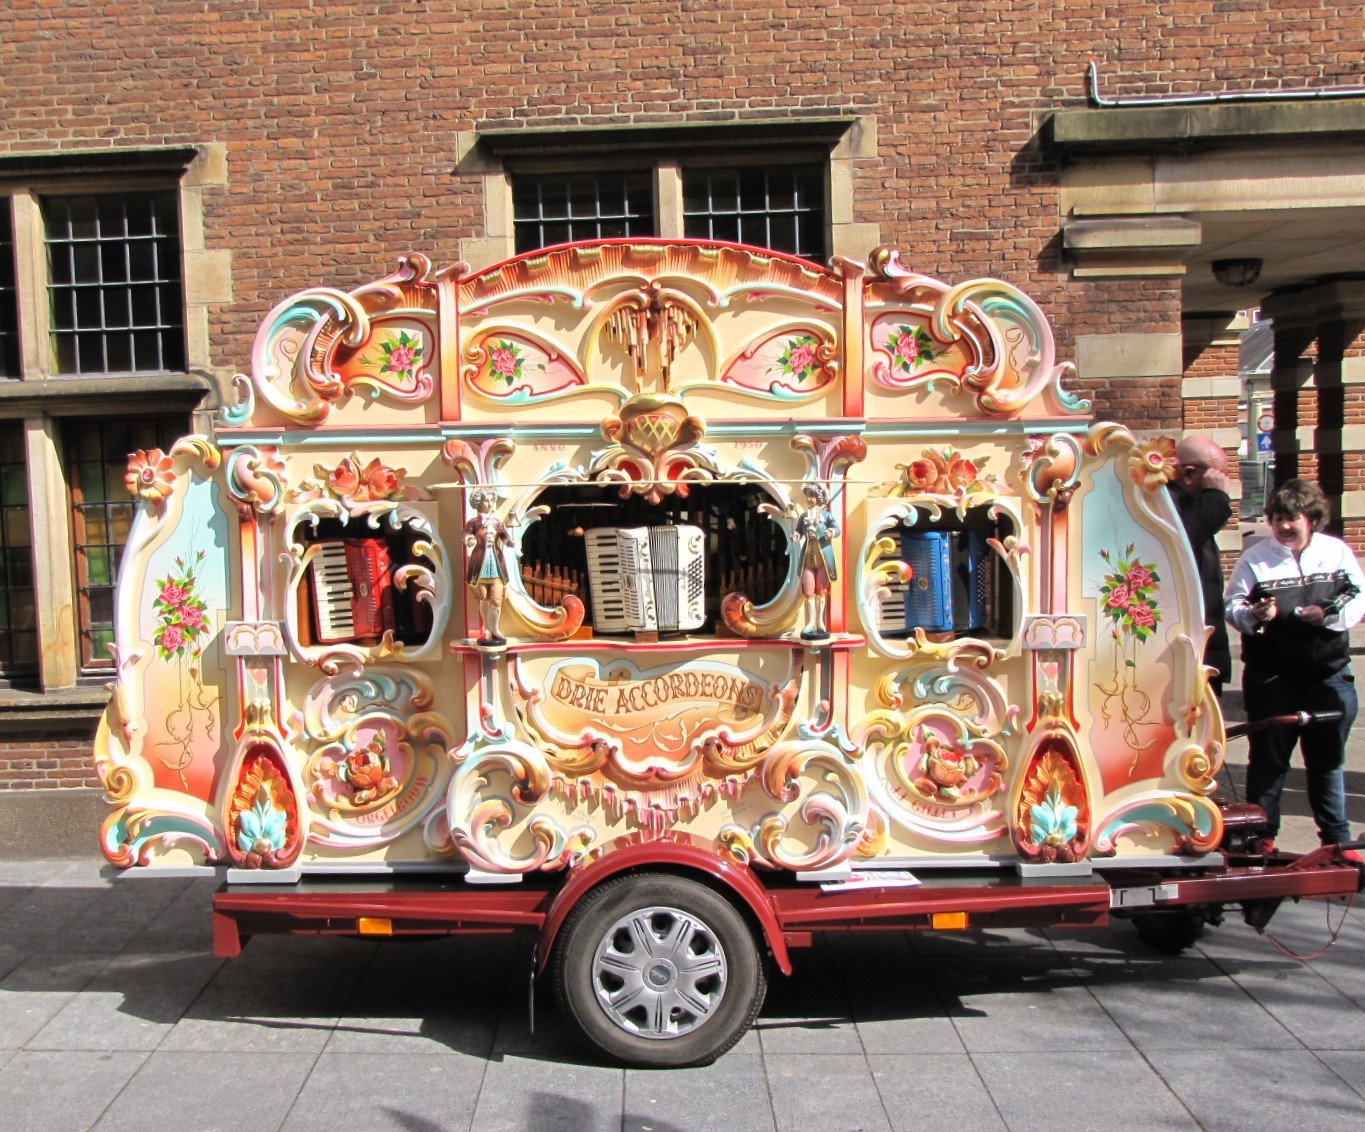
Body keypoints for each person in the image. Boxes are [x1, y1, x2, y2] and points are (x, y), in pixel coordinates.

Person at [1224, 479, 1365, 854]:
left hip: (1328, 675)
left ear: (1311, 519)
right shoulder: (1255, 558)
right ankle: (1260, 837)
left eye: (1292, 519)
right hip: (1274, 679)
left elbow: (1357, 596)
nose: (1285, 526)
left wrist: (1328, 616)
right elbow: (1232, 606)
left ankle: (1336, 839)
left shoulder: (1335, 553)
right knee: (1268, 762)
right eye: (1278, 519)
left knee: (1327, 762)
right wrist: (1255, 614)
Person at [1167, 435, 1233, 694]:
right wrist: (1216, 497)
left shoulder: (1194, 502)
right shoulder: (1168, 502)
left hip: (1205, 647)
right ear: (1190, 473)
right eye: (1219, 474)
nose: (1224, 482)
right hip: (1186, 647)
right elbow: (1181, 542)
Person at [463, 488, 515, 646]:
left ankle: (496, 629)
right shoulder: (474, 522)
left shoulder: (497, 522)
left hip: (496, 563)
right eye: (487, 500)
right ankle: (486, 629)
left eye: (493, 500)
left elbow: (504, 536)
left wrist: (509, 541)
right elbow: (466, 535)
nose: (491, 503)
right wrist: (469, 540)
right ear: (479, 502)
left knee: (496, 600)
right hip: (480, 564)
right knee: (484, 599)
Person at [793, 483, 838, 640]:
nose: (808, 499)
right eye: (807, 496)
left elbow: (836, 528)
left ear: (818, 497)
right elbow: (798, 530)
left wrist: (831, 531)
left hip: (822, 558)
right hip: (808, 558)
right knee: (809, 591)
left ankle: (820, 622)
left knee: (821, 591)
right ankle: (811, 622)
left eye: (811, 496)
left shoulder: (826, 516)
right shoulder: (804, 516)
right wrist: (797, 535)